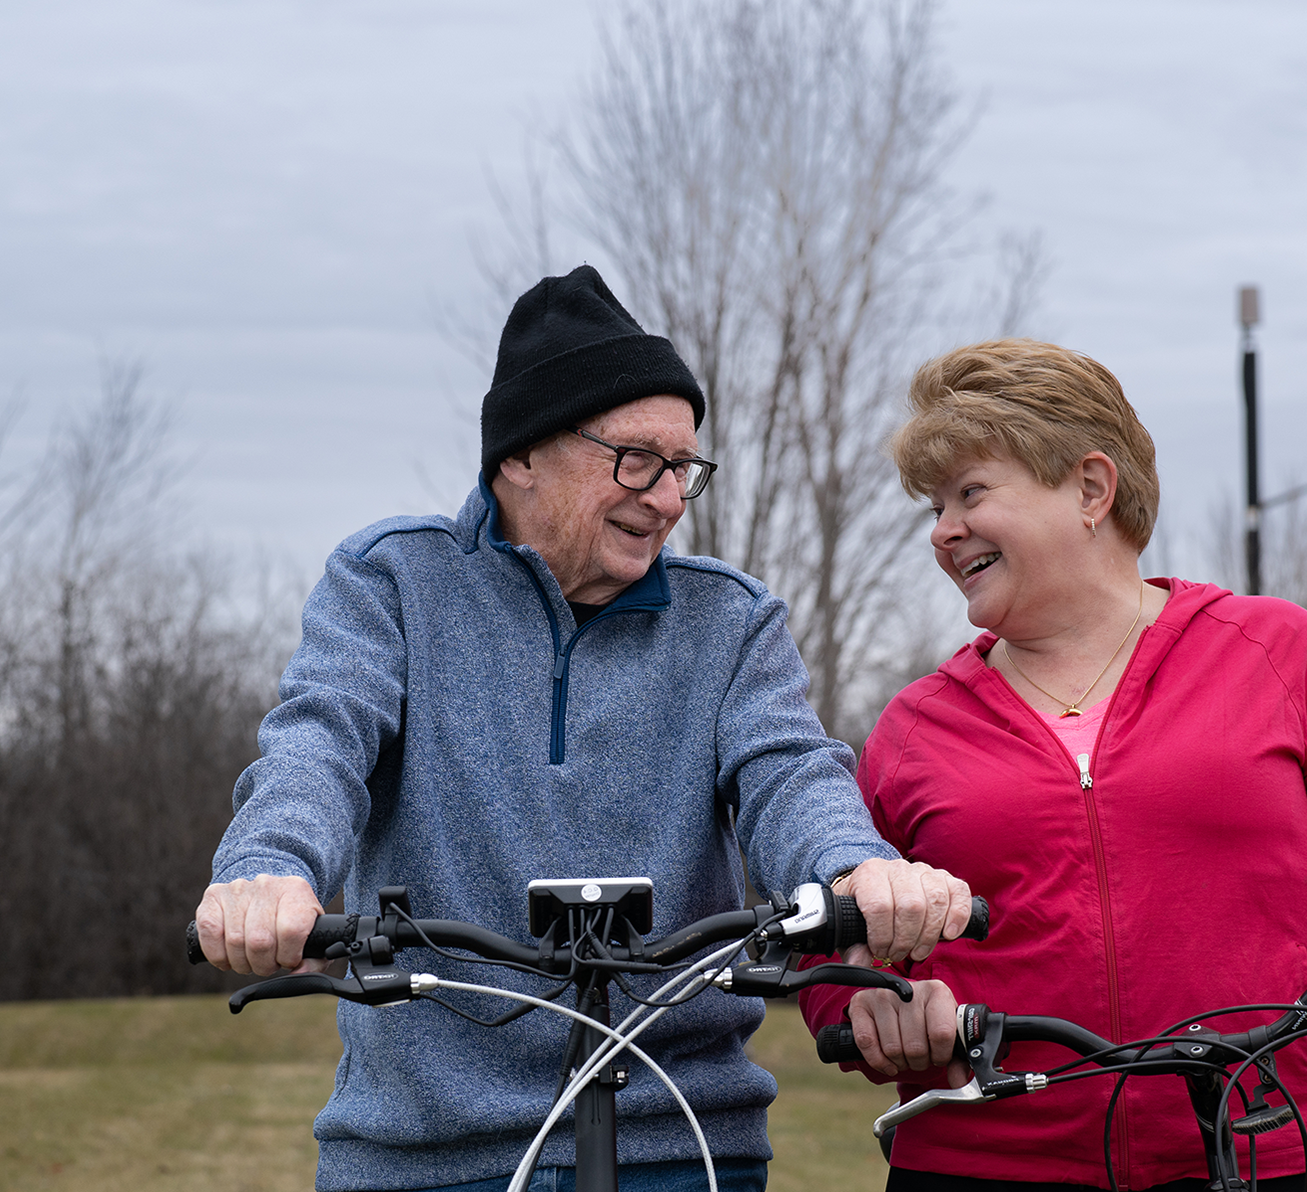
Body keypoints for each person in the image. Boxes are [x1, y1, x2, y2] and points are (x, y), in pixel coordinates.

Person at [194, 266, 973, 1192]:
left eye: (684, 466)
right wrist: (269, 871)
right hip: (427, 1152)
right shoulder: (392, 583)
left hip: (679, 1140)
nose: (669, 496)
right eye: (637, 458)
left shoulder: (730, 619)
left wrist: (854, 867)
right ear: (523, 453)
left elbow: (789, 770)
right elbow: (320, 744)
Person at [798, 339, 1307, 1192]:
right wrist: (874, 1009)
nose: (942, 531)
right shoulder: (915, 727)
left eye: (970, 493)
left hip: (1264, 1146)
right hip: (987, 1163)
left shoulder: (1277, 652)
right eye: (934, 507)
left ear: (1091, 488)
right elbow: (836, 950)